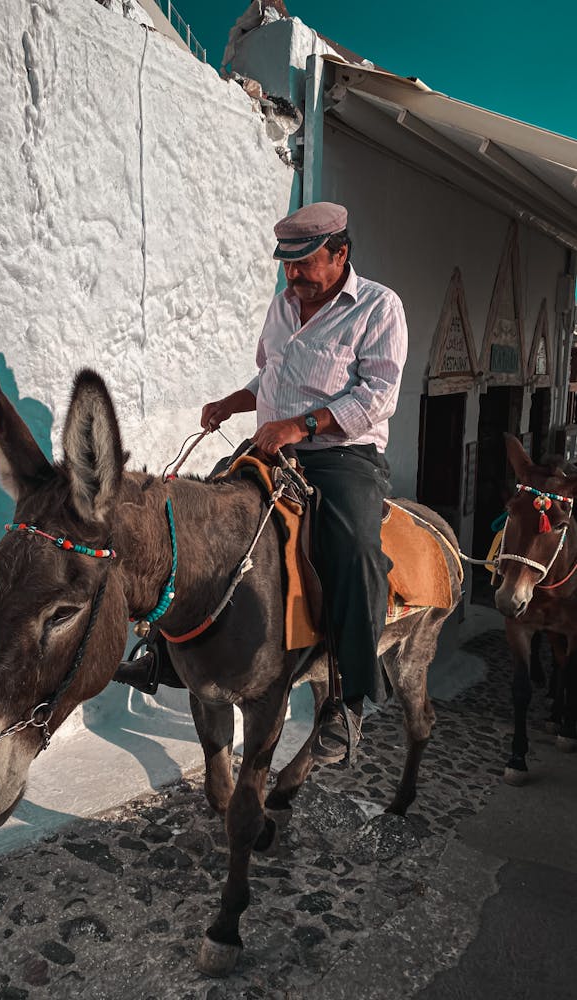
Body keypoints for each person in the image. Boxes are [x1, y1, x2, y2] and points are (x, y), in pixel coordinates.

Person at [201, 201, 408, 763]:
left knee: (354, 549)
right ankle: (166, 652)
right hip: (273, 448)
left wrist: (302, 424)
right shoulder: (282, 307)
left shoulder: (377, 307)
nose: (293, 276)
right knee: (202, 516)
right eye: (286, 265)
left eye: (305, 263)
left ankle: (348, 698)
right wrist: (232, 402)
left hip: (341, 456)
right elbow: (270, 375)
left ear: (340, 253)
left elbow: (378, 395)